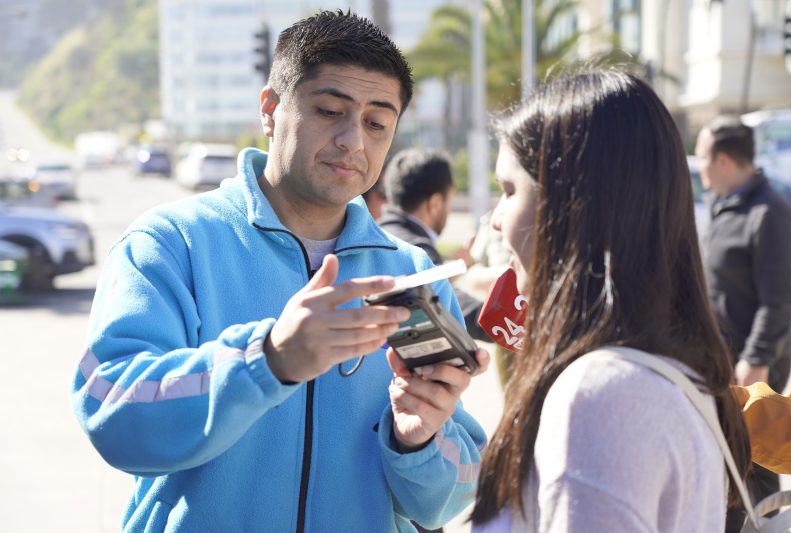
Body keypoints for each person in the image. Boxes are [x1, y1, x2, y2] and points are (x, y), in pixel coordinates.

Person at [70, 11, 488, 532]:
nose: (352, 141)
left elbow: (450, 500)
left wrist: (419, 438)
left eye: (377, 123)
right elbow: (113, 414)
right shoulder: (170, 243)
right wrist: (267, 360)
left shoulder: (411, 273)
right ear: (270, 109)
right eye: (331, 110)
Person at [469, 69, 751, 531]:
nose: (496, 221)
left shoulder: (599, 394)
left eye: (508, 191)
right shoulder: (665, 371)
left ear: (569, 205)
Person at [695, 116, 791, 530]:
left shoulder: (770, 212)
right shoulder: (727, 206)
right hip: (725, 360)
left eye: (702, 158)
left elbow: (778, 302)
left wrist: (754, 361)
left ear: (723, 160)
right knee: (731, 461)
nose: (698, 166)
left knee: (757, 461)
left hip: (753, 363)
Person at [378, 148, 492, 343]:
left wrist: (449, 269)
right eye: (450, 199)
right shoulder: (417, 251)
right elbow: (454, 306)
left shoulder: (379, 232)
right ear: (436, 203)